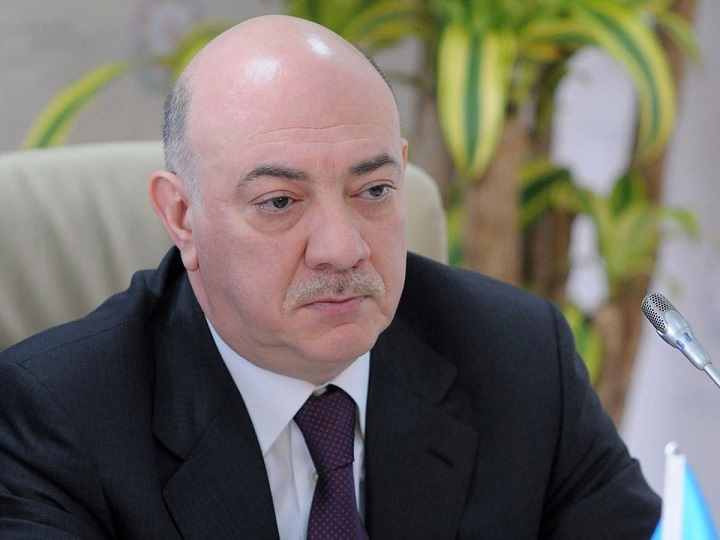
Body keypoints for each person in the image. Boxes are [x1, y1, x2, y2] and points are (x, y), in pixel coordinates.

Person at [0, 14, 660, 540]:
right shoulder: (60, 417)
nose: (343, 250)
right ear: (181, 215)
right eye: (279, 203)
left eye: (373, 191)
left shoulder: (520, 357)